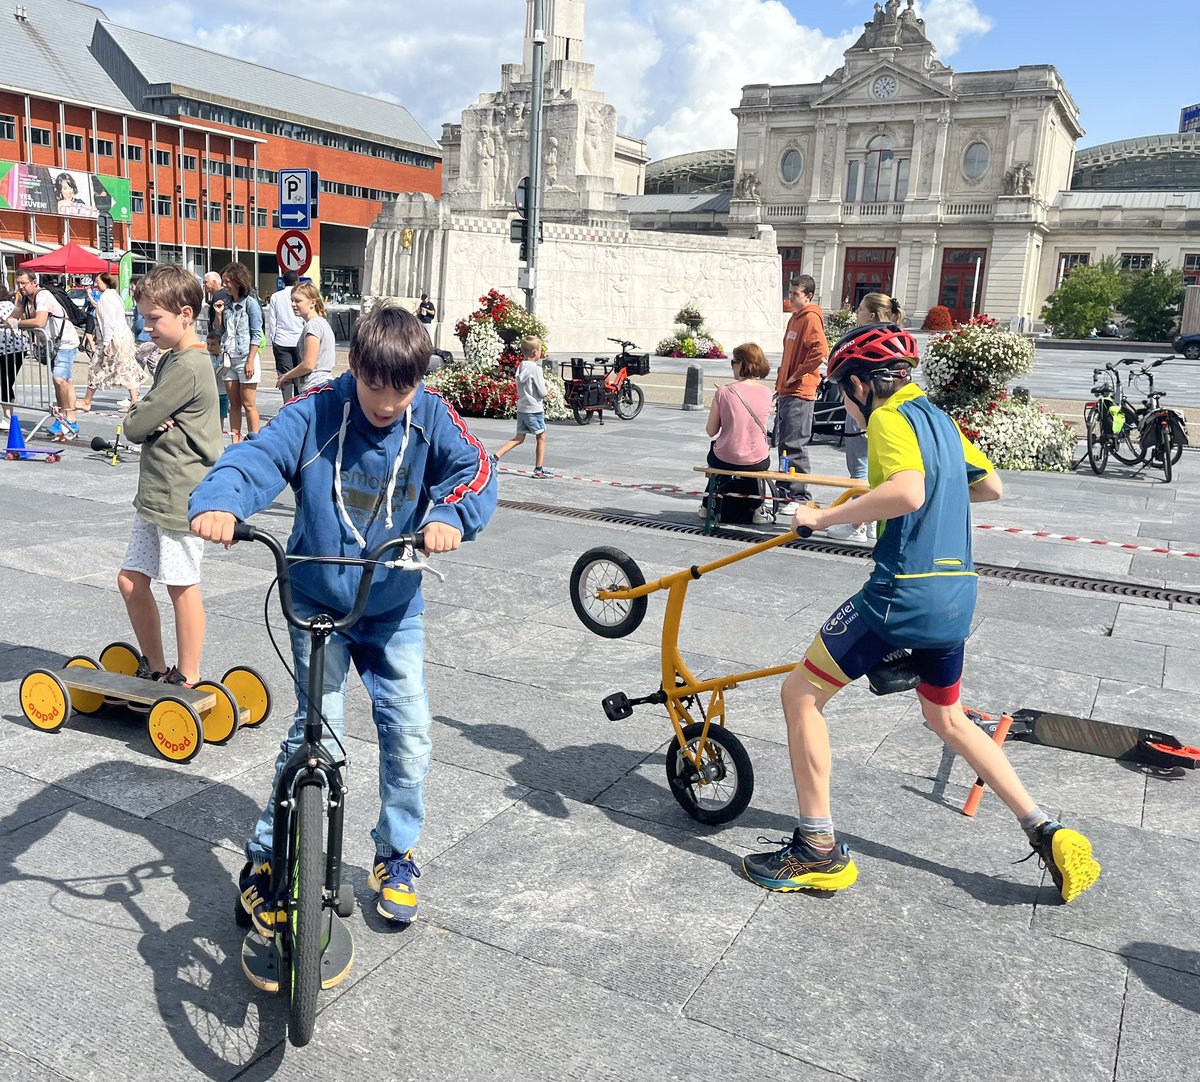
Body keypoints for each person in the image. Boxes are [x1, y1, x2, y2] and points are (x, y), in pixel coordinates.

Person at [743, 323, 1101, 906]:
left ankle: (817, 849)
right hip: (957, 597)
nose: (847, 408)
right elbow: (989, 488)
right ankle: (1046, 829)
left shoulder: (887, 418)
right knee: (950, 721)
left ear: (860, 384)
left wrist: (821, 519)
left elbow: (908, 492)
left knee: (800, 695)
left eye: (842, 392)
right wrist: (881, 497)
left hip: (900, 595)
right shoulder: (935, 416)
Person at [188, 303, 497, 942]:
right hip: (315, 599)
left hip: (391, 607)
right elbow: (260, 456)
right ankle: (269, 855)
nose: (387, 400)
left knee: (409, 733)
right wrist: (222, 500)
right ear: (354, 365)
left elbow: (477, 469)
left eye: (402, 386)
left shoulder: (432, 418)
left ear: (420, 380)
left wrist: (449, 516)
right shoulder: (319, 411)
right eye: (374, 383)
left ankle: (395, 854)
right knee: (314, 739)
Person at [118, 264, 222, 687]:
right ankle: (158, 667)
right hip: (156, 495)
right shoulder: (173, 359)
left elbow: (135, 426)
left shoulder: (188, 366)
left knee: (181, 585)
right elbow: (145, 419)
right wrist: (145, 415)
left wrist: (141, 415)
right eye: (143, 319)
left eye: (153, 319)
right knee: (131, 581)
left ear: (185, 314)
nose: (147, 330)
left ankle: (189, 676)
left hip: (180, 496)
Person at [826, 292, 904, 543]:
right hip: (890, 407)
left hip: (865, 406)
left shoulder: (861, 340)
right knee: (881, 468)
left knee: (859, 467)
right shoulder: (896, 338)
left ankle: (857, 524)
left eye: (859, 309)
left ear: (871, 315)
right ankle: (872, 522)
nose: (856, 313)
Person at [700, 342, 773, 525]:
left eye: (733, 362)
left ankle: (706, 505)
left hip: (726, 456)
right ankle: (758, 509)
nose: (732, 366)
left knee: (721, 453)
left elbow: (711, 431)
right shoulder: (766, 392)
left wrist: (721, 399)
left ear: (741, 364)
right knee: (748, 463)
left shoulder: (724, 392)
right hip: (757, 458)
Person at [775, 275, 827, 515]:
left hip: (800, 392)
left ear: (808, 296)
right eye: (790, 292)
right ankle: (784, 492)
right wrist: (781, 383)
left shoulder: (811, 318)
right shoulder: (795, 319)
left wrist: (797, 375)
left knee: (794, 444)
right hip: (788, 391)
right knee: (785, 445)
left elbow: (820, 351)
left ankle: (799, 496)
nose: (790, 297)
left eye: (795, 294)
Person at [9, 269, 80, 440]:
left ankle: (64, 418)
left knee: (59, 379)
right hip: (51, 345)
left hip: (65, 342)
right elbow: (12, 317)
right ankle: (70, 419)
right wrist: (12, 320)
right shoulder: (24, 299)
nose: (21, 287)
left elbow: (39, 321)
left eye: (23, 283)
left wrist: (17, 324)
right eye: (18, 283)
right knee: (64, 382)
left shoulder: (43, 296)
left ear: (34, 282)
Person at [212, 263, 263, 441]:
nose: (225, 285)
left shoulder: (250, 303)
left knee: (248, 404)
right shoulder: (225, 303)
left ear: (237, 281)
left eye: (227, 282)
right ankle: (235, 441)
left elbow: (257, 334)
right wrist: (218, 314)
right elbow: (218, 331)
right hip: (228, 358)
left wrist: (251, 360)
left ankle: (254, 441)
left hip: (245, 357)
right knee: (234, 404)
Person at [80, 271, 144, 412]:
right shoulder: (113, 296)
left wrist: (106, 343)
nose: (96, 285)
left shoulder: (106, 298)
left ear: (106, 282)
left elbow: (109, 321)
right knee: (124, 368)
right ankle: (134, 401)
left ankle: (87, 401)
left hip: (113, 339)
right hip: (120, 337)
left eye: (98, 282)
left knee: (99, 367)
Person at [491, 335, 549, 477]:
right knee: (541, 437)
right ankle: (539, 469)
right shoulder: (536, 369)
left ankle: (494, 457)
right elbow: (541, 391)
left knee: (519, 438)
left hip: (522, 408)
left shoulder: (521, 366)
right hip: (534, 409)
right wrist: (547, 393)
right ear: (535, 352)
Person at [275, 282, 335, 397]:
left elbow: (309, 364)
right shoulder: (321, 323)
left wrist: (287, 376)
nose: (293, 304)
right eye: (292, 300)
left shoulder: (313, 325)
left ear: (312, 302)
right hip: (321, 386)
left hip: (314, 387)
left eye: (298, 301)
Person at [266, 270, 304, 391]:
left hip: (281, 341)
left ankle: (287, 405)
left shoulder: (276, 296)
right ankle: (300, 404)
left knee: (285, 377)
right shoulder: (301, 296)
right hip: (299, 339)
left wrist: (273, 338)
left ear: (283, 282)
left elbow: (272, 319)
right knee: (301, 376)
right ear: (296, 282)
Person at [202, 271, 230, 434]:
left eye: (206, 283)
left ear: (214, 282)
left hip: (221, 339)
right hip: (218, 337)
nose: (204, 286)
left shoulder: (219, 296)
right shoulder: (222, 296)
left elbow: (218, 326)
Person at [0, 284, 25, 434]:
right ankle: (7, 415)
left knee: (5, 382)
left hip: (7, 349)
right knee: (7, 381)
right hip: (17, 348)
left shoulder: (5, 306)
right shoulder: (12, 305)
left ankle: (7, 416)